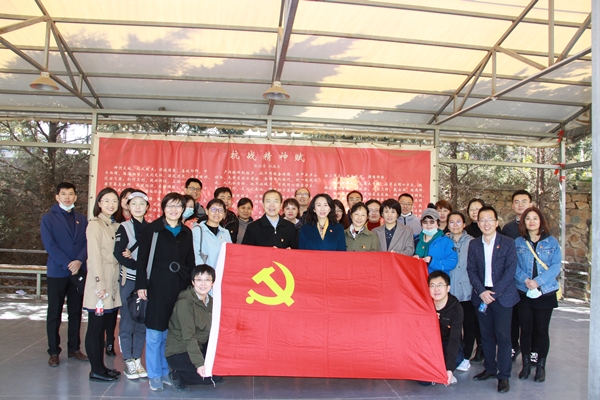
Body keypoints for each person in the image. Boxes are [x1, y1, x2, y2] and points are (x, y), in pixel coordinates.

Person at [135, 192, 196, 391]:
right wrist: (141, 285)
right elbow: (142, 260)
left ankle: (164, 371)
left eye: (178, 206)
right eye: (170, 205)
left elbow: (190, 261)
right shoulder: (153, 229)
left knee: (169, 333)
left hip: (179, 286)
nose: (174, 210)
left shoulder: (186, 232)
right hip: (157, 285)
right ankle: (154, 374)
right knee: (155, 332)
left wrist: (192, 287)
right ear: (163, 208)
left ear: (183, 209)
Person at [467, 206, 519, 394]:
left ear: (496, 222)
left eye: (490, 219)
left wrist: (494, 293)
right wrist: (482, 292)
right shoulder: (474, 244)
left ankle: (503, 376)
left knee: (503, 337)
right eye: (482, 220)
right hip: (482, 296)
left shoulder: (508, 243)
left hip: (502, 296)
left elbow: (510, 270)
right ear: (478, 223)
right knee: (486, 335)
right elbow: (471, 270)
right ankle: (489, 368)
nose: (486, 223)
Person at [40, 182, 88, 367]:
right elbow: (50, 245)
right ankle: (53, 351)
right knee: (55, 313)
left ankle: (74, 348)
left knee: (75, 312)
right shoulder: (48, 219)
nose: (67, 197)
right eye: (63, 194)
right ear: (57, 197)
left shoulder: (81, 219)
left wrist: (79, 261)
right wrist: (68, 264)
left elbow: (86, 243)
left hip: (77, 272)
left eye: (71, 194)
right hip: (57, 272)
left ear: (75, 196)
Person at [515, 207, 560, 383]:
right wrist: (526, 280)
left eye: (535, 218)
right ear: (523, 222)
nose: (531, 221)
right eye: (528, 218)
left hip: (545, 292)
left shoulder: (551, 242)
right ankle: (526, 364)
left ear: (541, 221)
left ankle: (541, 365)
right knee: (525, 330)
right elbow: (514, 266)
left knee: (541, 330)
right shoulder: (518, 242)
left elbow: (556, 266)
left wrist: (538, 282)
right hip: (524, 291)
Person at [83, 187, 122, 382]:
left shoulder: (115, 225)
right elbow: (94, 257)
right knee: (95, 327)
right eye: (106, 200)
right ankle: (96, 369)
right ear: (99, 203)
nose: (111, 204)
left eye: (114, 201)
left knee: (105, 326)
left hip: (113, 281)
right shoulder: (95, 225)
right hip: (100, 282)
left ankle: (101, 367)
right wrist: (99, 283)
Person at [165, 265, 222, 392]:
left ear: (213, 282)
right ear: (192, 282)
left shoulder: (211, 301)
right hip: (179, 351)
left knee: (219, 370)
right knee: (213, 376)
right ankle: (178, 375)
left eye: (207, 280)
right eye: (199, 280)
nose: (203, 284)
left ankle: (203, 370)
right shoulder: (185, 303)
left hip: (199, 345)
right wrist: (199, 364)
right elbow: (189, 337)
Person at [113, 190, 149, 380]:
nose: (137, 207)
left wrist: (142, 268)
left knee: (142, 320)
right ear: (128, 206)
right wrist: (139, 267)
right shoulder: (123, 227)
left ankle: (137, 359)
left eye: (141, 203)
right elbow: (119, 253)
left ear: (147, 207)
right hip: (129, 280)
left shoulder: (152, 229)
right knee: (127, 320)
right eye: (133, 203)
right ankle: (128, 359)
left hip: (146, 282)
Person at [501, 189, 533, 363]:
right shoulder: (508, 228)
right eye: (517, 202)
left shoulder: (537, 225)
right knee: (512, 318)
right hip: (512, 281)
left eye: (524, 201)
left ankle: (533, 352)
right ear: (512, 205)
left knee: (530, 322)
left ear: (531, 204)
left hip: (532, 283)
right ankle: (513, 347)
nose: (520, 205)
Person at [446, 212, 479, 370]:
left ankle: (466, 356)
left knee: (469, 325)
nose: (455, 225)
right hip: (450, 291)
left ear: (464, 224)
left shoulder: (473, 242)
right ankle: (456, 356)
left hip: (468, 290)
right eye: (451, 222)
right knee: (453, 327)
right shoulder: (445, 241)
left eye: (458, 221)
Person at [427, 271, 464, 386]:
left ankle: (445, 372)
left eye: (440, 285)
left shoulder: (456, 309)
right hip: (429, 344)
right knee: (424, 381)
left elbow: (454, 339)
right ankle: (434, 372)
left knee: (456, 358)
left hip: (448, 342)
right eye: (432, 286)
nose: (436, 289)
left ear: (448, 288)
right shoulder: (425, 305)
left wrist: (449, 369)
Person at [413, 208, 457, 275]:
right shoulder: (415, 240)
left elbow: (452, 262)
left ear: (438, 223)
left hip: (437, 279)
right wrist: (412, 259)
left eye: (432, 222)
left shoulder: (446, 241)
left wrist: (432, 262)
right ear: (421, 223)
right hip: (418, 278)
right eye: (425, 222)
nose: (428, 224)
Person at [192, 199, 232, 268]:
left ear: (224, 214)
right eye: (213, 209)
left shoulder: (226, 233)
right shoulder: (197, 230)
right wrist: (204, 271)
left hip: (221, 272)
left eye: (220, 210)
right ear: (207, 211)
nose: (217, 213)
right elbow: (195, 254)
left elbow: (230, 254)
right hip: (203, 272)